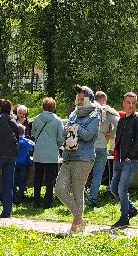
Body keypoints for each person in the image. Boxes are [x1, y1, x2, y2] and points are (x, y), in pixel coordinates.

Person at [56, 86, 101, 233]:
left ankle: (76, 227)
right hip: (68, 156)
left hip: (84, 158)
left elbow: (88, 135)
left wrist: (76, 128)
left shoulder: (95, 115)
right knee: (59, 189)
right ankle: (79, 218)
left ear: (89, 99)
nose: (79, 102)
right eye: (78, 99)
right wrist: (68, 128)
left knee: (77, 192)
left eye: (83, 99)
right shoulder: (73, 114)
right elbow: (63, 133)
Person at [110, 92, 138, 227]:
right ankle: (131, 209)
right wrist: (115, 154)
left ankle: (124, 218)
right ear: (123, 103)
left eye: (133, 103)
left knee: (122, 189)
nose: (131, 105)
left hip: (130, 160)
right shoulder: (122, 119)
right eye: (128, 102)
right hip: (118, 159)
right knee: (114, 189)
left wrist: (130, 156)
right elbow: (118, 139)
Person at [0, 99, 21, 218]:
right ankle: (7, 211)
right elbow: (17, 136)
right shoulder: (13, 119)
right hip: (11, 155)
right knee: (8, 183)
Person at [87, 90, 120, 206]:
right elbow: (119, 123)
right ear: (104, 100)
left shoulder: (88, 110)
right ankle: (92, 199)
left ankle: (79, 198)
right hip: (101, 146)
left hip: (87, 146)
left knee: (83, 174)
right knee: (97, 174)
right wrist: (113, 133)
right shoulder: (107, 111)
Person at [29, 96, 63, 207]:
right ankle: (48, 202)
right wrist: (56, 145)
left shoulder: (36, 119)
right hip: (52, 153)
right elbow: (61, 138)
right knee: (50, 178)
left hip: (39, 152)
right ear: (53, 107)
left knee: (37, 178)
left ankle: (36, 201)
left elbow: (33, 134)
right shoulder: (58, 120)